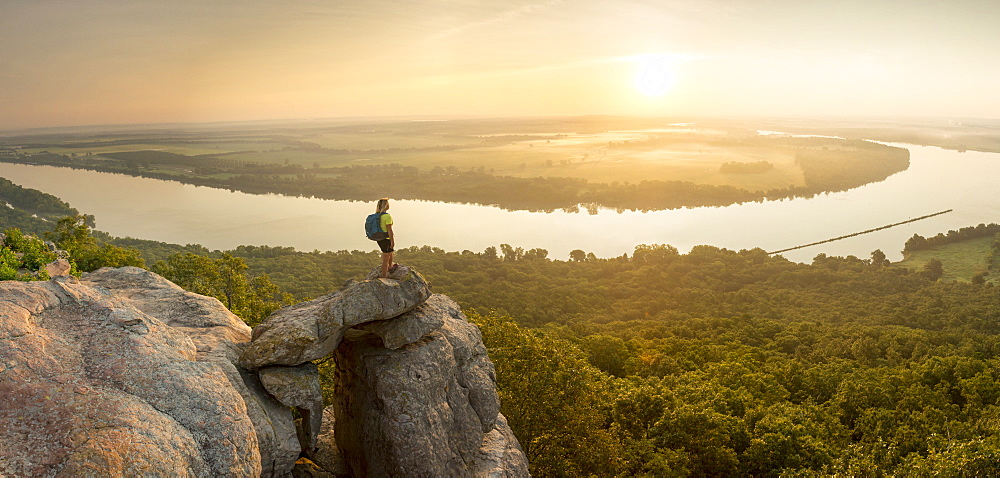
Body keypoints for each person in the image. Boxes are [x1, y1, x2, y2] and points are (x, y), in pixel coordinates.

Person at [374, 198, 397, 278]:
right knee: (385, 259)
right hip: (386, 239)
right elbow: (389, 230)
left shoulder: (377, 215)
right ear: (386, 206)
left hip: (379, 239)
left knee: (390, 252)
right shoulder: (387, 216)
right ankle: (384, 277)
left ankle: (390, 267)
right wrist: (392, 241)